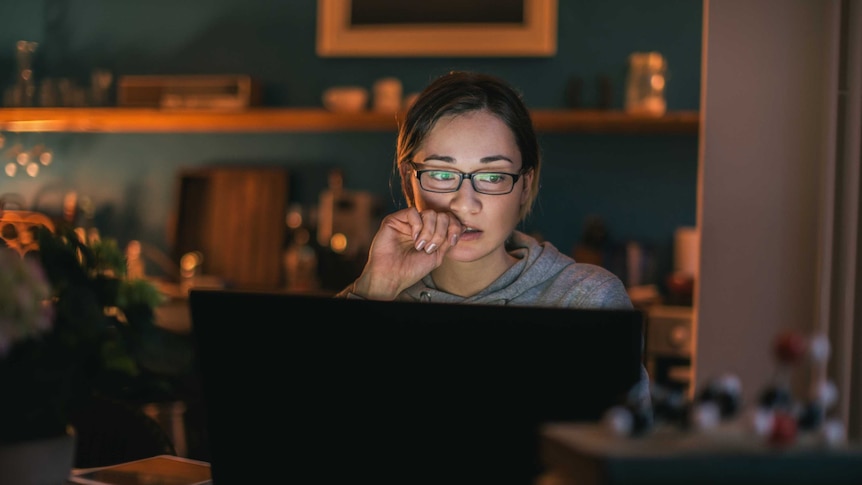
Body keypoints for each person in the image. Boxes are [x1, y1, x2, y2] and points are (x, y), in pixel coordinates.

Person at [335, 70, 650, 408]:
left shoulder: (586, 300)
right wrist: (373, 290)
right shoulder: (371, 299)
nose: (465, 204)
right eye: (442, 174)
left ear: (525, 185)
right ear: (407, 180)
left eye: (492, 175)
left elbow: (625, 450)